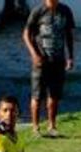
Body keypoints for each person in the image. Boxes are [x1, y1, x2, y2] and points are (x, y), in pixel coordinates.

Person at [23, 0, 75, 138]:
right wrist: (34, 54)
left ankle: (52, 125)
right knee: (37, 95)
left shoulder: (65, 11)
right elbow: (26, 34)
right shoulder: (38, 11)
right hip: (41, 59)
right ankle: (35, 127)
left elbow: (69, 34)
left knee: (54, 95)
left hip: (58, 59)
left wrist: (70, 56)